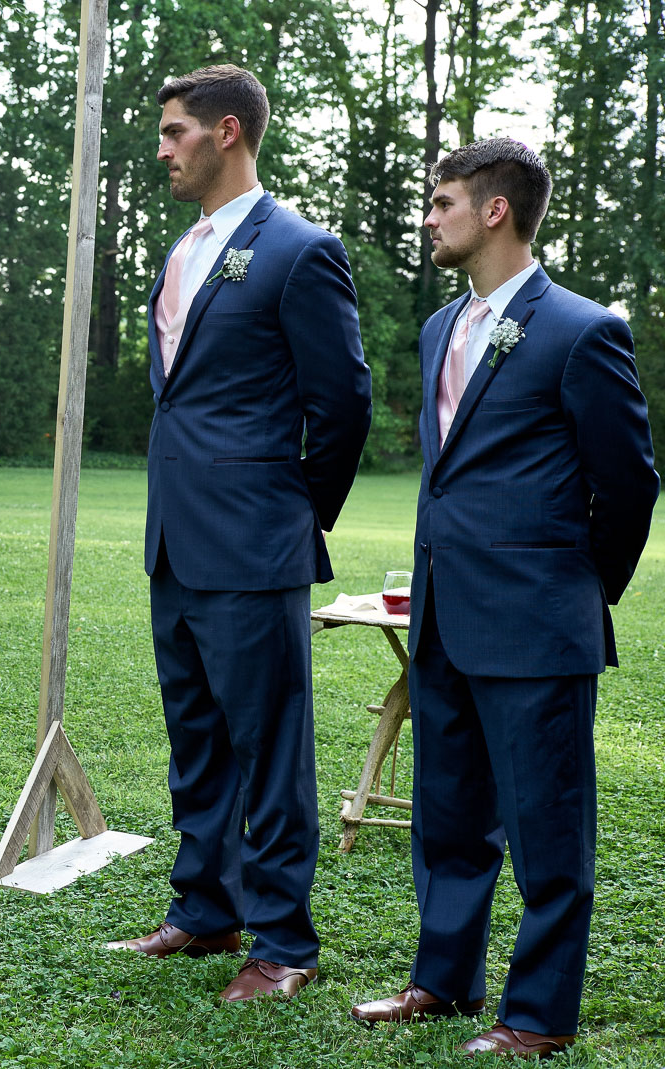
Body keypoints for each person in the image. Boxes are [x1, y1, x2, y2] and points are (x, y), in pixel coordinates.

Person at [350, 139, 657, 1058]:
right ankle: (443, 982)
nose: (428, 218)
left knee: (548, 829)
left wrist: (577, 589)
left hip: (538, 625)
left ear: (494, 211)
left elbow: (629, 483)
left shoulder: (582, 330)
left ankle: (537, 1016)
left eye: (442, 202)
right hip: (443, 616)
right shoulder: (439, 328)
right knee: (447, 815)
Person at [105, 65, 371, 1002]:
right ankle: (206, 910)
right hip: (175, 543)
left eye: (175, 132)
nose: (163, 150)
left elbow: (342, 402)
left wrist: (293, 513)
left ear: (227, 132)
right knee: (197, 739)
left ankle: (285, 942)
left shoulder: (300, 250)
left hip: (255, 545)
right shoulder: (184, 251)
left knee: (271, 750)